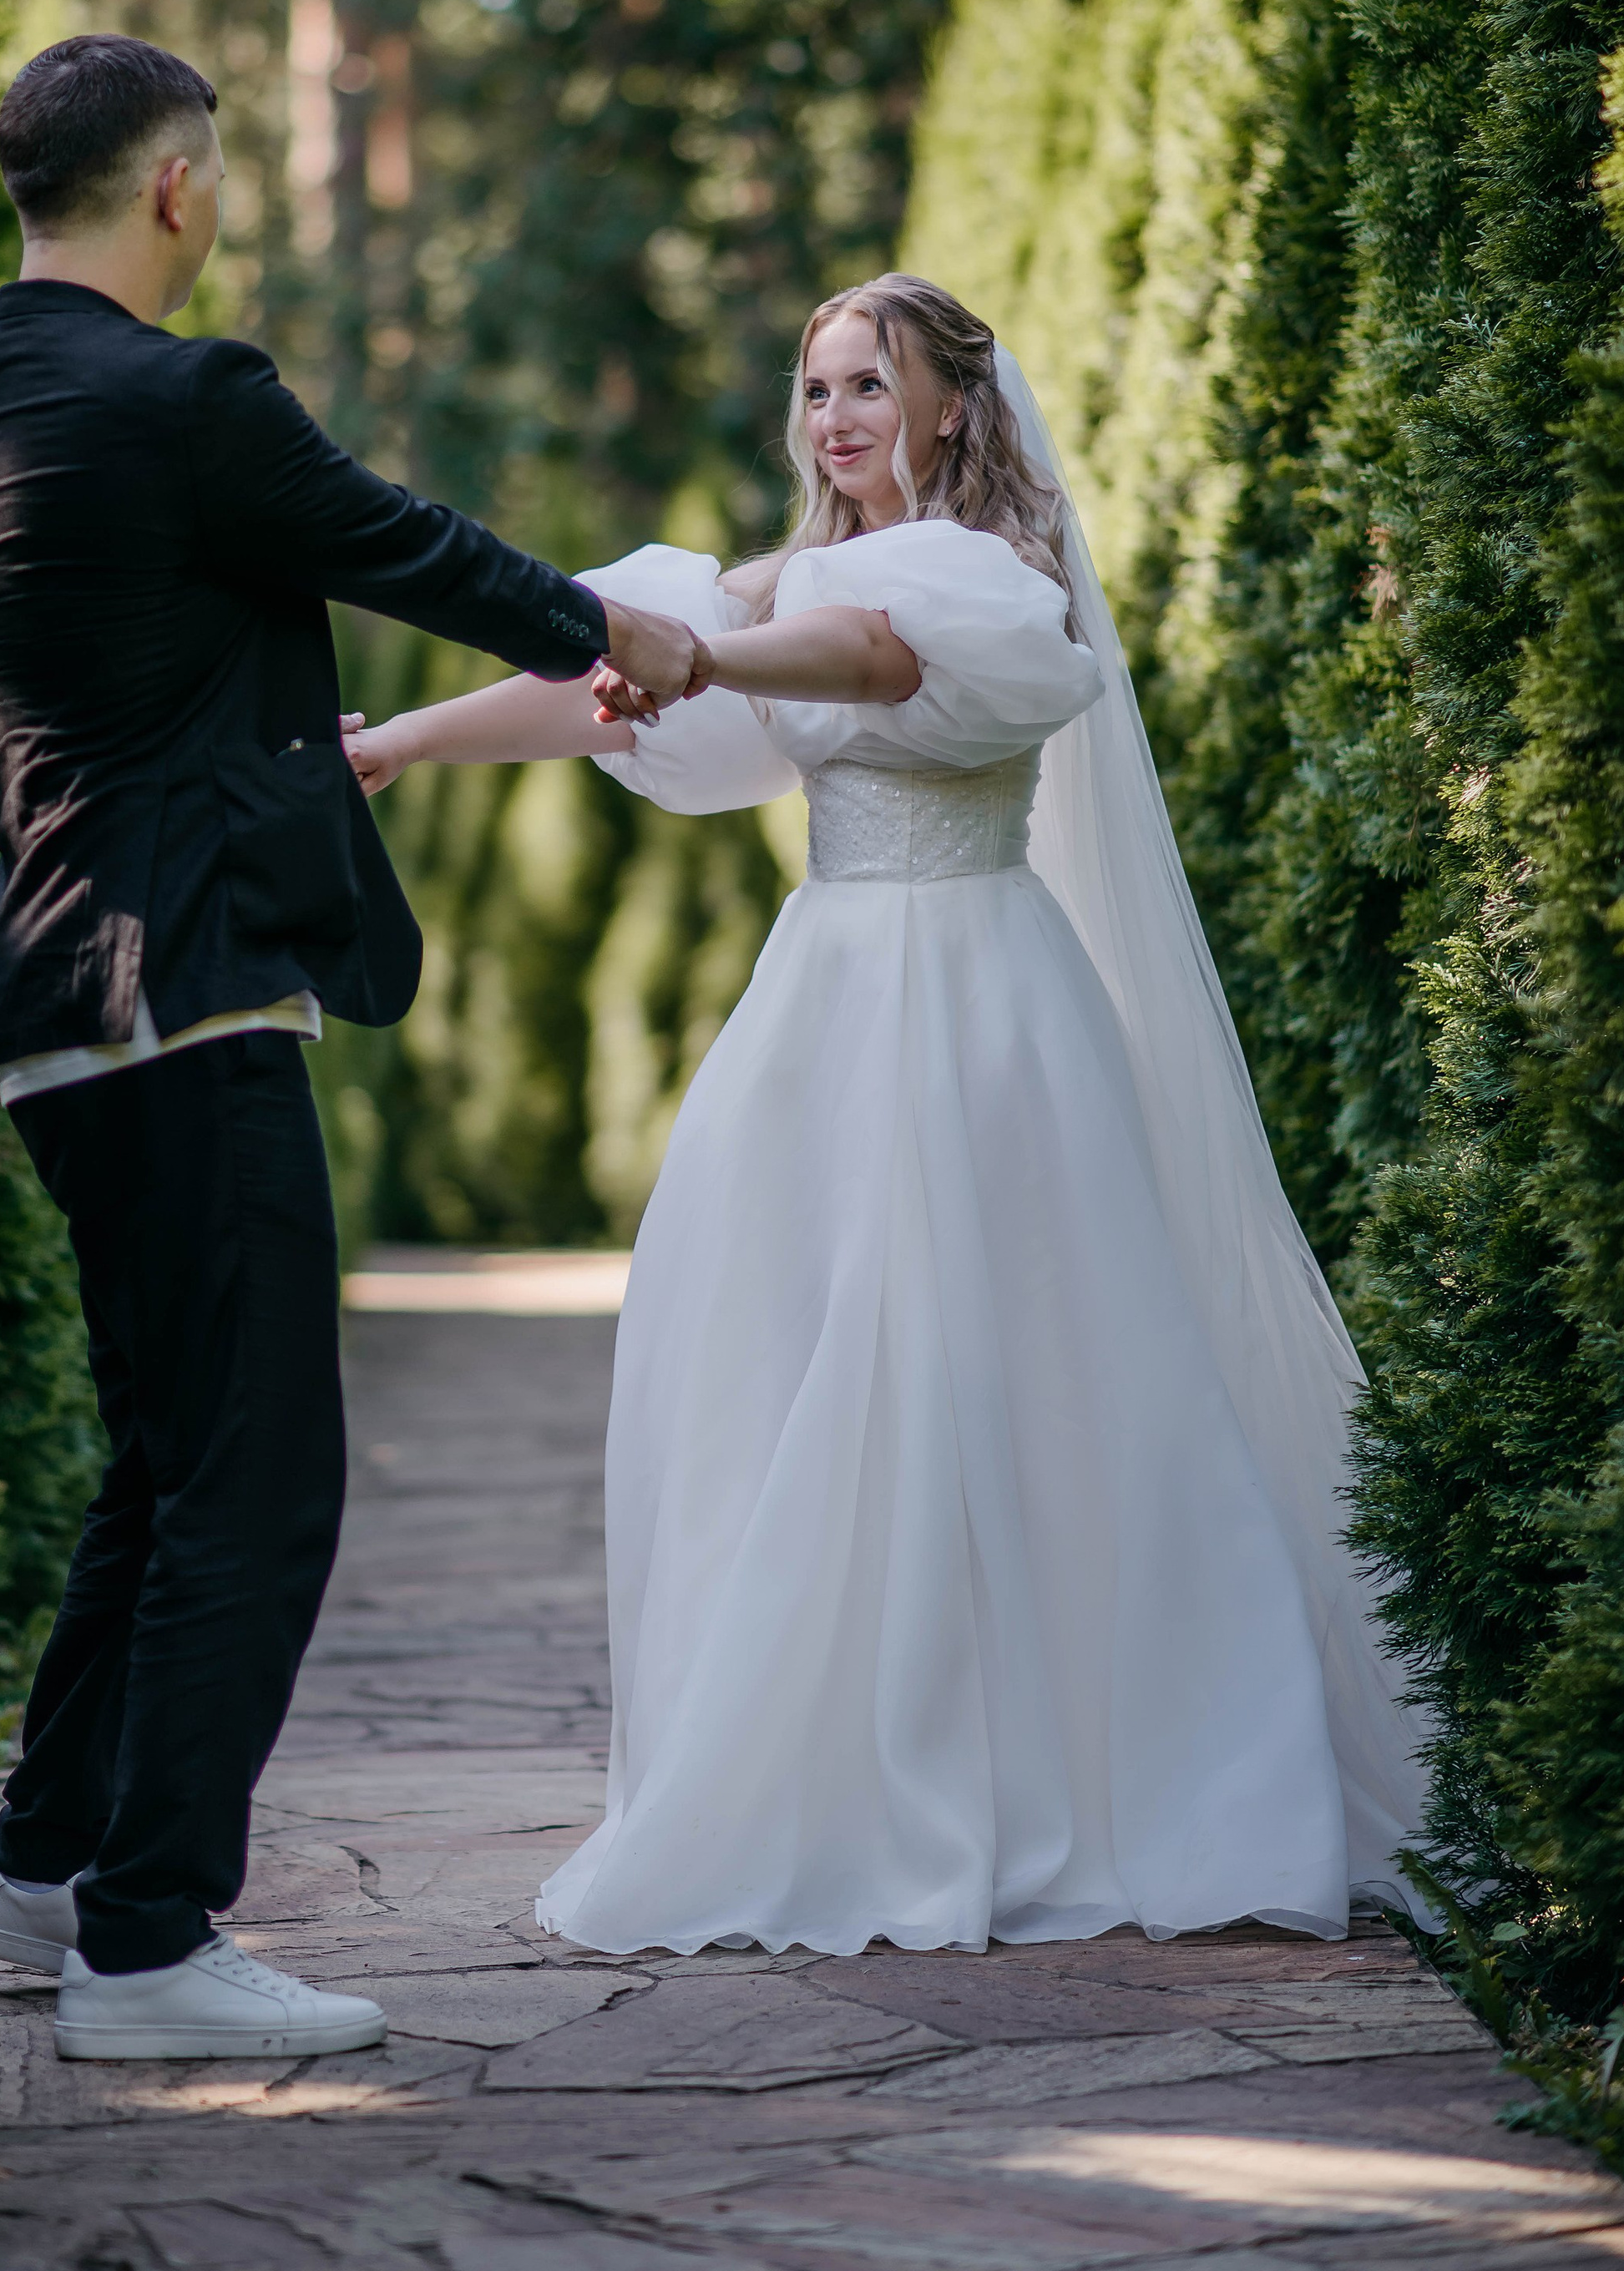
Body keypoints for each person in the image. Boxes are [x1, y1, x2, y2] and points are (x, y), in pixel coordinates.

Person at [344, 273, 1429, 1959]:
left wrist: (702, 650)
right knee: (789, 1372)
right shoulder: (786, 576)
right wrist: (405, 740)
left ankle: (1093, 1772)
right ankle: (844, 1770)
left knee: (1016, 1383)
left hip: (982, 1007)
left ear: (946, 403)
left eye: (869, 382)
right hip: (824, 1007)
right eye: (811, 386)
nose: (833, 414)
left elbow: (871, 655)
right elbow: (603, 681)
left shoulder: (987, 570)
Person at [0, 34, 698, 2057]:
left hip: (55, 1003)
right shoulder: (188, 393)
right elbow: (400, 540)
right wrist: (617, 631)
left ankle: (40, 1876)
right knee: (260, 1482)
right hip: (185, 1001)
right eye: (220, 175)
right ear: (173, 184)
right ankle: (151, 1944)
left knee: (165, 1467)